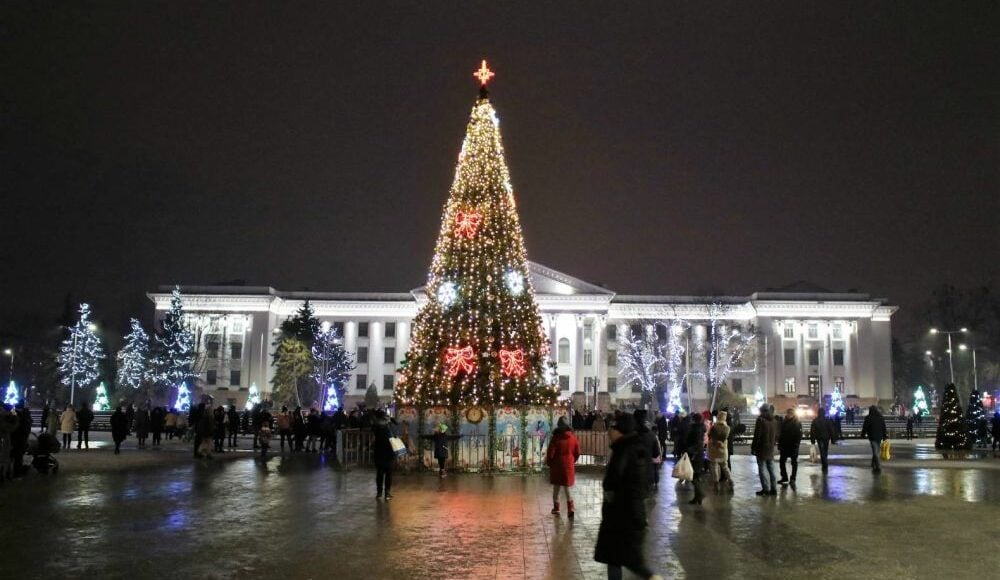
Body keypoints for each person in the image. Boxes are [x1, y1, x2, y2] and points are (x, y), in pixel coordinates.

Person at [594, 414, 662, 580]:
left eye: (612, 428)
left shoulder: (623, 450)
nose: (609, 431)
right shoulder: (636, 447)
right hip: (632, 511)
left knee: (628, 560)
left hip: (622, 514)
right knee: (617, 557)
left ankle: (653, 577)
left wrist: (610, 492)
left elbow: (612, 480)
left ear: (620, 430)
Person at [546, 416, 580, 517]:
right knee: (567, 488)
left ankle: (556, 508)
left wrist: (550, 463)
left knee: (556, 488)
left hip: (557, 465)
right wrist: (572, 461)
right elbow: (577, 452)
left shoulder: (555, 438)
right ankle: (570, 508)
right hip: (568, 465)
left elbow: (550, 453)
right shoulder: (573, 438)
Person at [750, 405, 777, 496]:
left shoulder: (760, 420)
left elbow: (757, 435)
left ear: (762, 411)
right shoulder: (774, 420)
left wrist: (753, 448)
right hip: (770, 448)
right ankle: (774, 488)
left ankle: (766, 489)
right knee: (771, 468)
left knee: (762, 468)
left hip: (762, 448)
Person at [684, 412, 707, 505]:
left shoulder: (695, 429)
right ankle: (697, 497)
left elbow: (695, 442)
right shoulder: (701, 427)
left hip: (695, 454)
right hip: (699, 453)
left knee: (694, 476)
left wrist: (692, 452)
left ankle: (700, 494)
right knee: (696, 475)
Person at [372, 410, 396, 500]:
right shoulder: (388, 426)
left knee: (379, 473)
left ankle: (379, 493)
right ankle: (387, 493)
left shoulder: (375, 426)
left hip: (378, 452)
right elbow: (394, 434)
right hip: (389, 451)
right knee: (388, 474)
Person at [634, 410, 660, 491]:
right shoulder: (651, 435)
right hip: (647, 473)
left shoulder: (628, 434)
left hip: (632, 474)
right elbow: (656, 453)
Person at [707, 410, 732, 493]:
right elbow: (724, 438)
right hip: (722, 449)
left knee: (714, 467)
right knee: (725, 467)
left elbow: (709, 435)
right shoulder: (727, 428)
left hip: (713, 448)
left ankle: (716, 483)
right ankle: (730, 480)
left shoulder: (714, 427)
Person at [777, 408, 802, 488]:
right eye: (788, 413)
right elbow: (782, 434)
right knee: (782, 462)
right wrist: (780, 444)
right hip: (785, 446)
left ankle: (792, 478)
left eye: (789, 413)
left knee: (794, 463)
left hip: (792, 446)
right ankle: (784, 477)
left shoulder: (796, 422)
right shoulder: (784, 422)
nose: (788, 415)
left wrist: (796, 445)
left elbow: (798, 435)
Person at [860, 405, 886, 473]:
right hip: (879, 437)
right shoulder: (881, 417)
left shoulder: (868, 417)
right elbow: (884, 427)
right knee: (876, 450)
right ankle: (873, 463)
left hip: (872, 437)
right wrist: (885, 436)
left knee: (875, 451)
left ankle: (877, 465)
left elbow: (865, 427)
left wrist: (862, 435)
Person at [810, 407, 835, 472]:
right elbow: (831, 430)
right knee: (825, 451)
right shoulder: (827, 420)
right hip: (826, 438)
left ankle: (824, 463)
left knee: (822, 451)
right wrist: (833, 439)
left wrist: (812, 440)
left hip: (819, 438)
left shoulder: (815, 421)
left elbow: (812, 431)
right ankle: (825, 463)